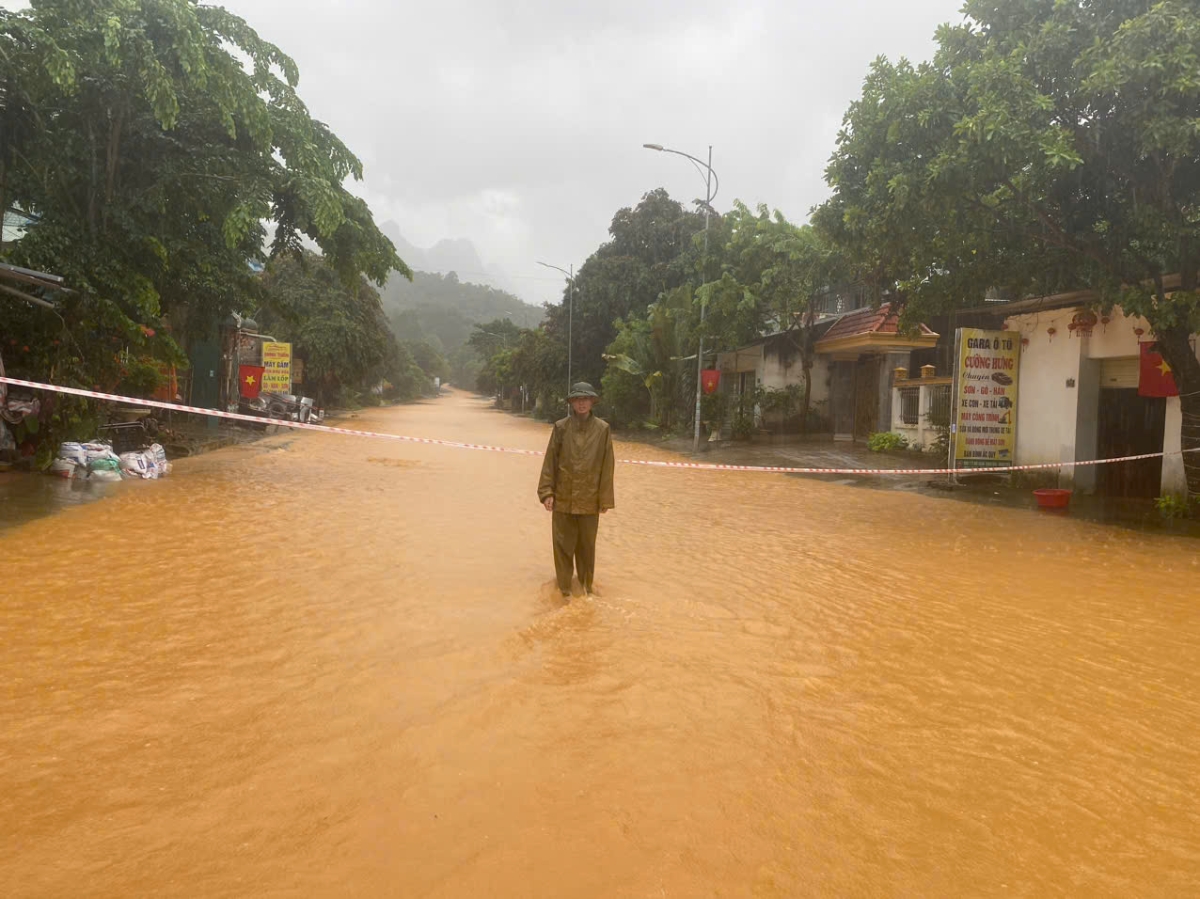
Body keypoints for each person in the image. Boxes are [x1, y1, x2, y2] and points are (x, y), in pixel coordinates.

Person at [537, 382, 615, 597]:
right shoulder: (561, 427)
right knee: (562, 546)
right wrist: (547, 492)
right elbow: (550, 461)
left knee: (587, 547)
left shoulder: (602, 429)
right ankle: (564, 590)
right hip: (563, 498)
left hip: (590, 499)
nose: (582, 403)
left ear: (592, 402)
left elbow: (607, 465)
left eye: (585, 399)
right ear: (572, 402)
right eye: (578, 399)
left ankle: (586, 587)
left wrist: (605, 499)